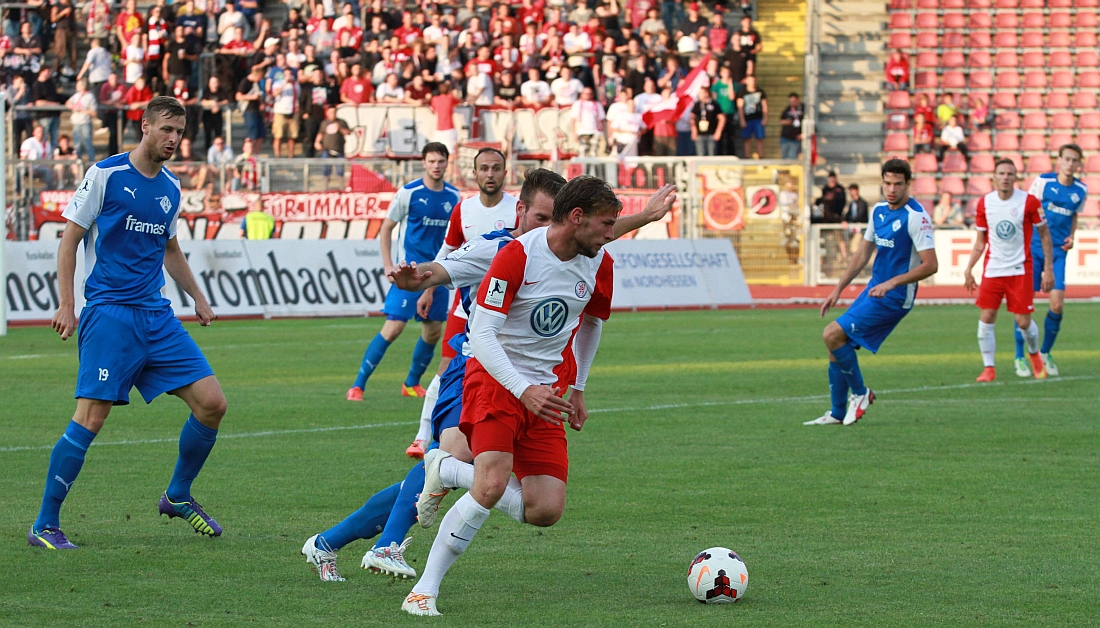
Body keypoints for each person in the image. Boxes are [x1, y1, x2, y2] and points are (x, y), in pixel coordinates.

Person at [301, 172, 675, 583]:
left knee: (458, 468)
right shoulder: (501, 248)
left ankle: (329, 542)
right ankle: (385, 543)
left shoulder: (577, 248)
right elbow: (442, 268)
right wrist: (418, 278)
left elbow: (600, 232)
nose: (550, 225)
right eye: (541, 216)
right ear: (522, 211)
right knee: (454, 462)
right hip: (473, 368)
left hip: (523, 374)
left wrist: (645, 217)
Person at [400, 175, 632, 617]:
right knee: (490, 485)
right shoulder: (517, 256)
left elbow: (592, 323)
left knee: (545, 510)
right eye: (606, 224)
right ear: (577, 218)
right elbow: (483, 335)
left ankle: (446, 469)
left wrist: (579, 387)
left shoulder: (599, 262)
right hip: (495, 379)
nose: (611, 234)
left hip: (546, 391)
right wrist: (522, 389)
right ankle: (424, 590)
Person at [29, 96, 227, 550]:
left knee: (212, 403)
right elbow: (69, 241)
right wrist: (66, 303)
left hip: (156, 314)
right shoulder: (106, 175)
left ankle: (177, 495)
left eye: (180, 131)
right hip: (110, 314)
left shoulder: (172, 188)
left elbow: (170, 249)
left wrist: (197, 296)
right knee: (91, 417)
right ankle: (44, 523)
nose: (174, 139)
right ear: (145, 127)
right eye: (166, 130)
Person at [403, 148, 519, 458]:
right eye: (484, 168)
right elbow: (446, 253)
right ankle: (422, 438)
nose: (490, 173)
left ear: (505, 173)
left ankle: (479, 437)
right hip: (465, 306)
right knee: (445, 368)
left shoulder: (517, 210)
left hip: (503, 309)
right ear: (475, 173)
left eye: (496, 168)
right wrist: (428, 290)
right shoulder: (463, 210)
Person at [807, 158, 938, 426]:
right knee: (836, 345)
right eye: (887, 183)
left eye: (898, 184)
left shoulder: (916, 217)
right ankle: (837, 413)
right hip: (873, 291)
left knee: (831, 333)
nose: (891, 189)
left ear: (908, 184)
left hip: (895, 297)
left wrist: (893, 283)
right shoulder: (878, 211)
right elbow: (862, 253)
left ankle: (861, 392)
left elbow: (931, 265)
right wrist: (838, 289)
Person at [346, 143, 462, 402]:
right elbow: (387, 228)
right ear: (424, 162)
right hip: (409, 274)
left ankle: (411, 383)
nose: (436, 165)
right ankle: (358, 385)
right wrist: (389, 266)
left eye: (441, 161)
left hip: (438, 275)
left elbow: (454, 239)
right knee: (394, 327)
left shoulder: (454, 197)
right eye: (431, 161)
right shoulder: (409, 193)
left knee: (433, 331)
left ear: (446, 163)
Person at [963, 158, 1054, 382]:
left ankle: (1034, 355)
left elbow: (1045, 235)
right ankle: (989, 368)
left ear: (1016, 178)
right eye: (1001, 173)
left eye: (1010, 174)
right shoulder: (985, 203)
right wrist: (969, 268)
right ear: (994, 177)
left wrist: (1049, 268)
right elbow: (980, 241)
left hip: (1020, 269)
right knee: (986, 317)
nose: (1005, 177)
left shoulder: (1029, 202)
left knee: (1023, 322)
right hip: (993, 269)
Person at [1015, 144, 1087, 377]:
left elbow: (1073, 215)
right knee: (1025, 304)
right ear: (1059, 160)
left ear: (1079, 164)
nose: (1070, 164)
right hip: (1034, 249)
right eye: (1066, 159)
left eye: (1074, 160)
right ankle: (1020, 356)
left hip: (1057, 252)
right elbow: (1027, 209)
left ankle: (1044, 352)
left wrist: (1072, 236)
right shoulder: (1043, 182)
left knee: (1057, 304)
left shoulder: (1081, 190)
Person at [65, 80, 97, 164]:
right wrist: (71, 106)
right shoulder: (76, 95)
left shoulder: (90, 96)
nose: (76, 87)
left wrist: (81, 110)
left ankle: (91, 162)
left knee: (88, 143)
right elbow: (68, 102)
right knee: (77, 145)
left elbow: (93, 112)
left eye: (78, 85)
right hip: (76, 122)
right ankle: (78, 163)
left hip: (85, 123)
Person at [571, 86, 606, 156]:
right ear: (582, 94)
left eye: (590, 93)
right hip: (581, 132)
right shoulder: (577, 104)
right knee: (583, 153)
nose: (588, 95)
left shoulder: (597, 104)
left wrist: (601, 132)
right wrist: (574, 134)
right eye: (586, 93)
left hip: (595, 132)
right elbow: (573, 120)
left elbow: (601, 120)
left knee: (594, 153)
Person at [737, 75, 766, 158]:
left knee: (759, 138)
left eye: (753, 80)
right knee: (747, 138)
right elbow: (740, 107)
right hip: (747, 118)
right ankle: (747, 156)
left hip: (758, 118)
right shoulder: (743, 93)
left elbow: (764, 105)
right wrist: (742, 120)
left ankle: (761, 156)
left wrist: (765, 118)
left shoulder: (760, 92)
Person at [691, 86, 723, 156]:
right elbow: (692, 117)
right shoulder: (697, 104)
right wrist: (694, 130)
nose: (700, 95)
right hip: (699, 134)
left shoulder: (714, 104)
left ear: (706, 93)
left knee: (712, 154)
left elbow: (722, 118)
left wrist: (718, 131)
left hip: (711, 133)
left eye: (702, 93)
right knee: (700, 154)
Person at [779, 93, 804, 160]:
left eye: (793, 101)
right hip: (785, 137)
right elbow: (781, 120)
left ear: (798, 99)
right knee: (784, 158)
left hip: (796, 138)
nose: (792, 103)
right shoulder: (788, 109)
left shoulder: (803, 109)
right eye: (790, 102)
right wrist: (789, 122)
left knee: (792, 157)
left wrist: (803, 134)